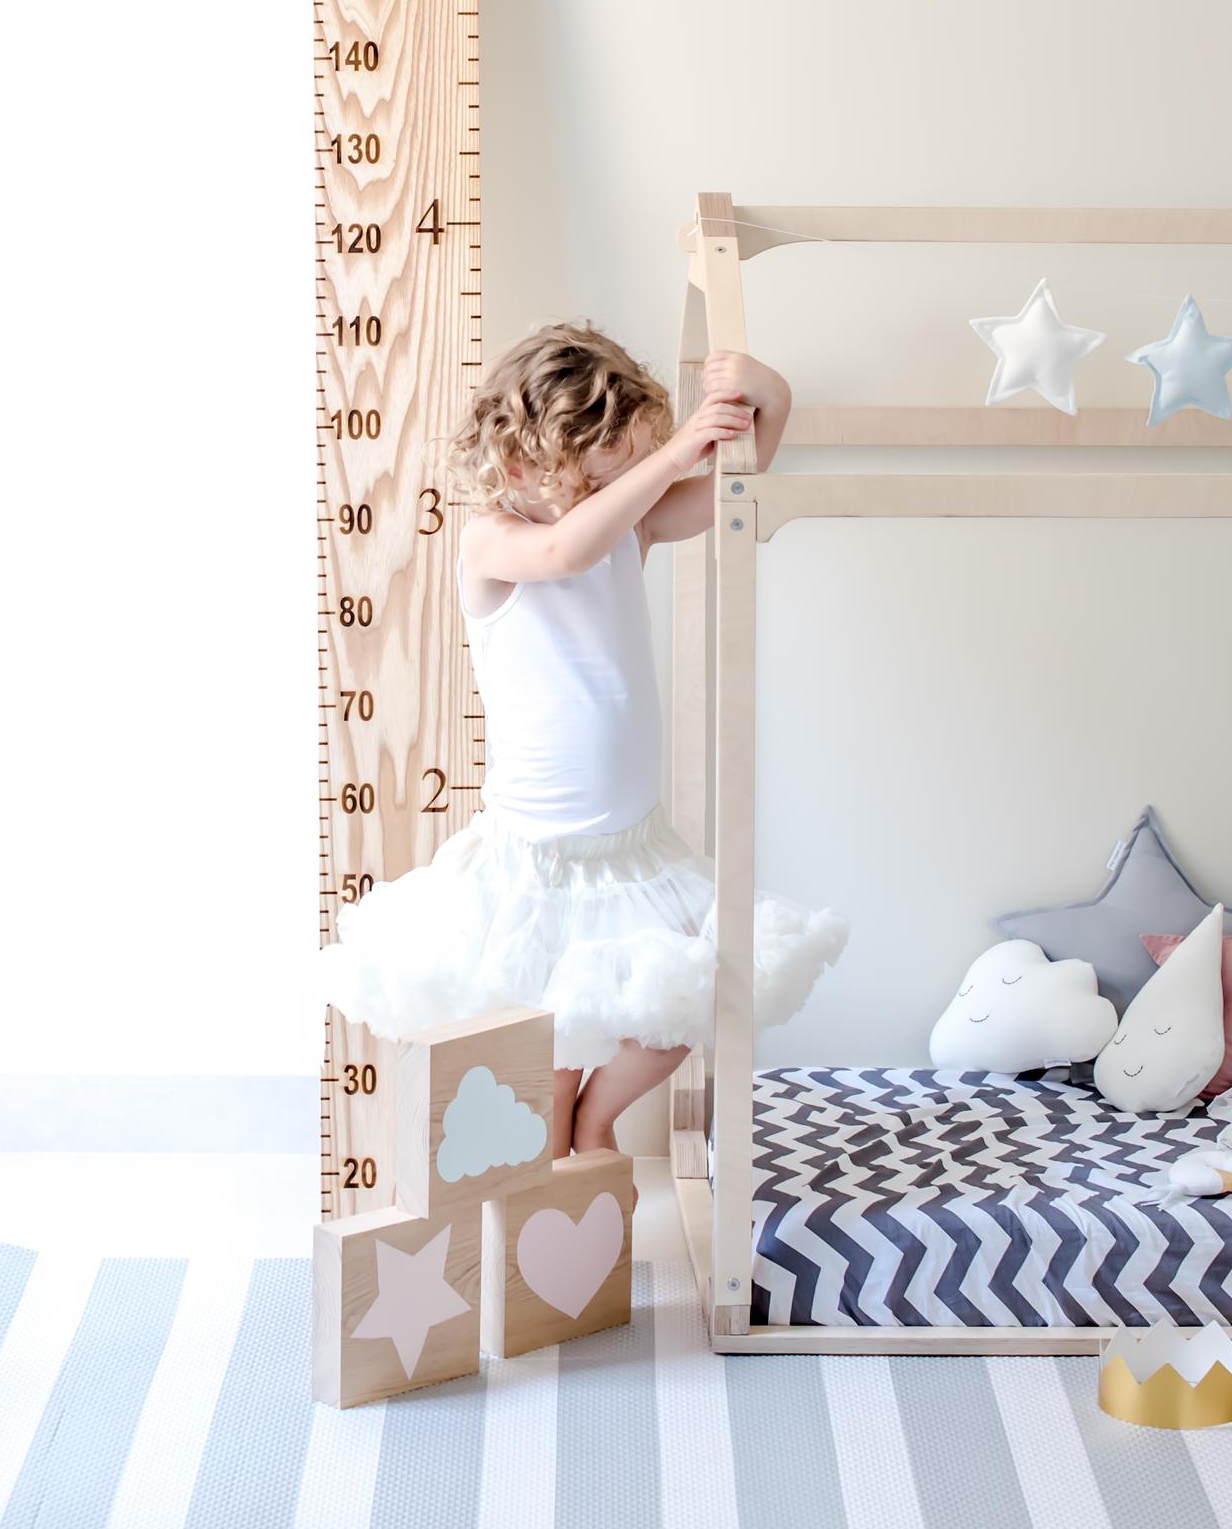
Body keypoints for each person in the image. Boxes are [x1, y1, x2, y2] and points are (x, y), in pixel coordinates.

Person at [316, 320, 849, 1189]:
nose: (620, 491)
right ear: (520, 460)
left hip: (634, 853)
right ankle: (552, 1193)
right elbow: (569, 549)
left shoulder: (626, 529)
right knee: (548, 1060)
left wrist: (770, 402)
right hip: (540, 863)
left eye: (619, 473)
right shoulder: (495, 541)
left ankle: (597, 1122)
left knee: (691, 998)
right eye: (599, 475)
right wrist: (671, 454)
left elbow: (730, 490)